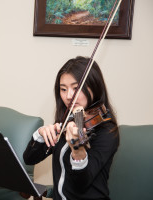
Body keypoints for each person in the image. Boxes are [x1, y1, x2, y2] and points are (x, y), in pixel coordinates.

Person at [23, 56, 119, 200]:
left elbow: (81, 184)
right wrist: (41, 135)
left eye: (76, 88)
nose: (68, 96)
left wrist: (78, 152)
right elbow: (29, 159)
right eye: (63, 89)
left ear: (94, 86)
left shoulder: (107, 131)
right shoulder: (67, 121)